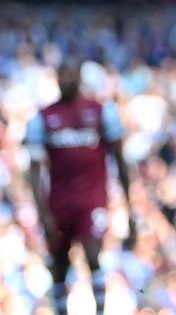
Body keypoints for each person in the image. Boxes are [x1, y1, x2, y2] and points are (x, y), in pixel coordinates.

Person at [25, 61, 136, 315]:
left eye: (69, 74)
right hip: (59, 202)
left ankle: (100, 311)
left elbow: (120, 160)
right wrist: (42, 213)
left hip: (93, 199)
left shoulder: (101, 111)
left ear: (79, 77)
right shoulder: (43, 117)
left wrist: (130, 209)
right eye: (60, 75)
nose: (65, 80)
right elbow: (34, 170)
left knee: (93, 254)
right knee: (59, 263)